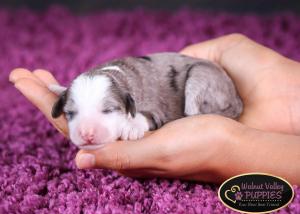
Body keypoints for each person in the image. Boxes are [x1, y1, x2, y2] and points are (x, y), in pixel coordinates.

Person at [9, 34, 300, 184]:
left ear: (128, 104)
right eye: (72, 113)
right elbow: (77, 95)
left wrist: (143, 122)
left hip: (201, 82)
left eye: (107, 111)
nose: (86, 130)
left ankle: (202, 115)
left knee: (196, 85)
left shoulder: (136, 94)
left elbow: (150, 110)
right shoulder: (92, 83)